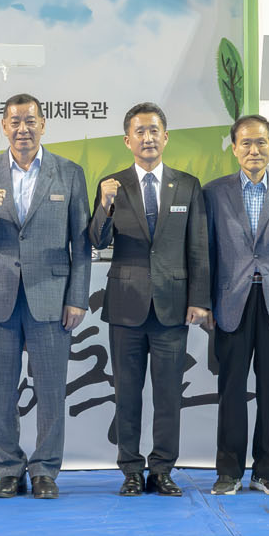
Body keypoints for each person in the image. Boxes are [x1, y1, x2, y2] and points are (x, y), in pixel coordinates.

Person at [0, 93, 91, 500]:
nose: (23, 129)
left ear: (43, 124)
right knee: (1, 388)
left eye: (30, 121)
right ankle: (7, 468)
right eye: (15, 121)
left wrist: (78, 297)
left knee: (51, 388)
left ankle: (45, 469)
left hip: (51, 296)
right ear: (3, 126)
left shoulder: (69, 173)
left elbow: (82, 243)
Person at [87, 102, 210, 497]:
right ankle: (130, 470)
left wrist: (199, 299)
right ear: (127, 141)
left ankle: (162, 469)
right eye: (139, 131)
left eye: (154, 130)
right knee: (127, 393)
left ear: (166, 137)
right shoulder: (112, 184)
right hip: (126, 305)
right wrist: (104, 206)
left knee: (169, 394)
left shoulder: (187, 185)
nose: (148, 138)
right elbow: (97, 240)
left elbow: (198, 248)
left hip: (173, 305)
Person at [200, 115, 269, 495]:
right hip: (231, 301)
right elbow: (205, 251)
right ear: (234, 148)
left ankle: (267, 471)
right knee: (231, 389)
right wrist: (204, 302)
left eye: (261, 142)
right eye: (246, 143)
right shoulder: (214, 192)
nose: (254, 150)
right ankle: (228, 472)